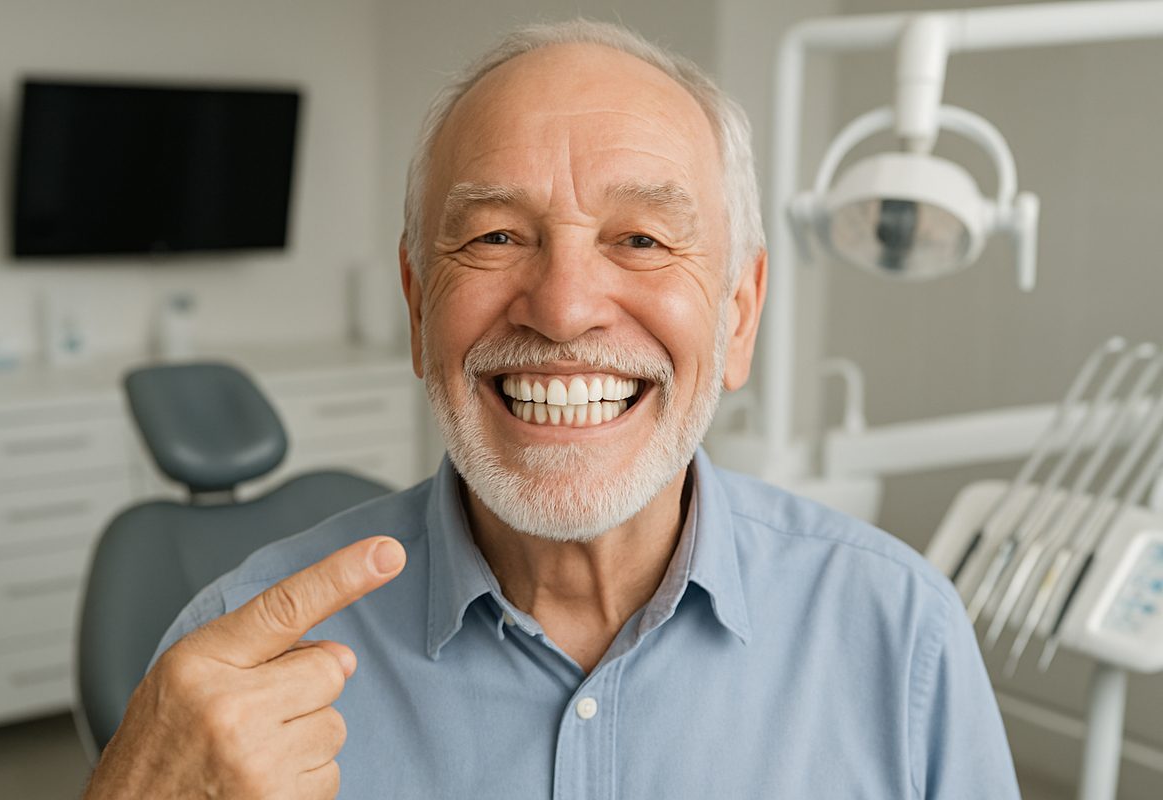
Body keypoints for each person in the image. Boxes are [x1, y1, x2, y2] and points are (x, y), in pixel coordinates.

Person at [84, 18, 1021, 800]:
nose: (566, 308)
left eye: (643, 239)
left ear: (738, 317)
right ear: (418, 308)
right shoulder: (235, 662)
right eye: (495, 236)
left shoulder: (902, 637)